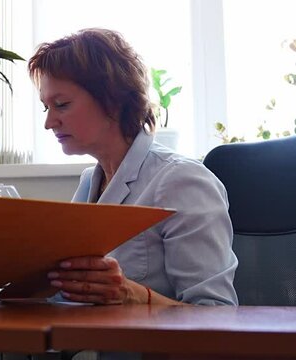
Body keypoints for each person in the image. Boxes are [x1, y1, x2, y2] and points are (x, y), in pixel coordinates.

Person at [28, 28, 238, 306]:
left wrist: (132, 294)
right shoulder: (89, 182)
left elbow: (218, 314)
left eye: (62, 104)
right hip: (90, 343)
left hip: (146, 350)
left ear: (112, 100)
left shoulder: (181, 181)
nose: (49, 122)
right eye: (46, 108)